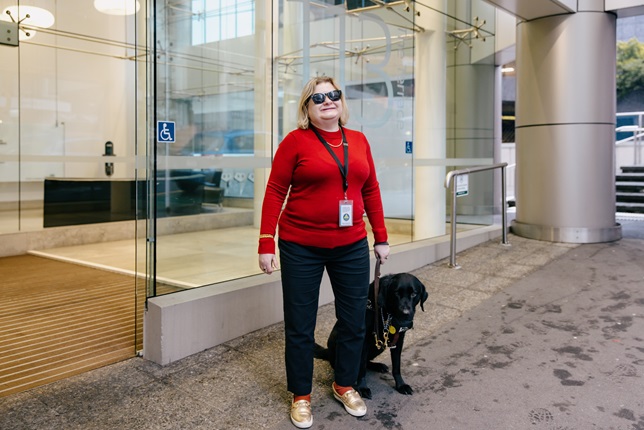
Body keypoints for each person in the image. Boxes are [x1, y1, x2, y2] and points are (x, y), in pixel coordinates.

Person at [257, 76, 390, 429]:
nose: (327, 101)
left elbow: (371, 189)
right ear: (307, 108)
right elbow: (274, 191)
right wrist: (266, 241)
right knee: (300, 325)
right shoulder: (295, 142)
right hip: (301, 246)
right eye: (318, 98)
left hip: (350, 246)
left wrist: (381, 236)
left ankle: (344, 384)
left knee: (353, 320)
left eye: (334, 95)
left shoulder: (359, 141)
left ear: (341, 102)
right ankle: (300, 395)